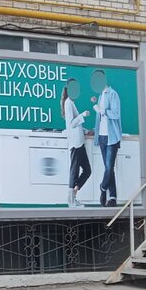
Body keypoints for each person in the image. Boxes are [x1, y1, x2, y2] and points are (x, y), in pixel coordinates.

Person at [91, 69, 122, 207]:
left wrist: (101, 110)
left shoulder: (113, 94)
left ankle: (103, 188)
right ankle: (113, 197)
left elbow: (115, 114)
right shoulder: (100, 96)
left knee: (109, 167)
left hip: (112, 137)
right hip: (102, 136)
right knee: (109, 168)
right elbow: (100, 120)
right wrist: (95, 131)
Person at [61, 80, 91, 208]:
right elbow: (71, 124)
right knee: (74, 171)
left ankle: (73, 196)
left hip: (79, 142)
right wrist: (83, 115)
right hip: (75, 143)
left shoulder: (71, 103)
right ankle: (71, 201)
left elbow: (76, 124)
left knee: (87, 170)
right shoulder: (68, 103)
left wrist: (86, 131)